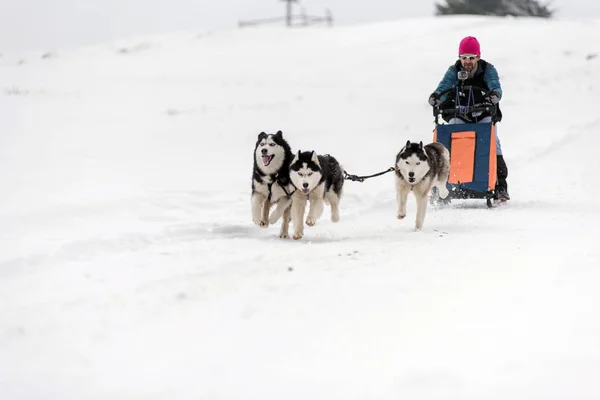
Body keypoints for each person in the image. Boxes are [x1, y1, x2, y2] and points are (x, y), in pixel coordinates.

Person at [428, 36, 510, 201]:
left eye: (471, 58)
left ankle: (500, 186)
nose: (467, 61)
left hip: (483, 113)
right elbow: (444, 86)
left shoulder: (487, 70)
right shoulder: (454, 70)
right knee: (448, 144)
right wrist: (437, 97)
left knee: (493, 143)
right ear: (459, 57)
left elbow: (495, 85)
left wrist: (495, 95)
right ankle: (444, 186)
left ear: (478, 57)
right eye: (464, 57)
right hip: (459, 113)